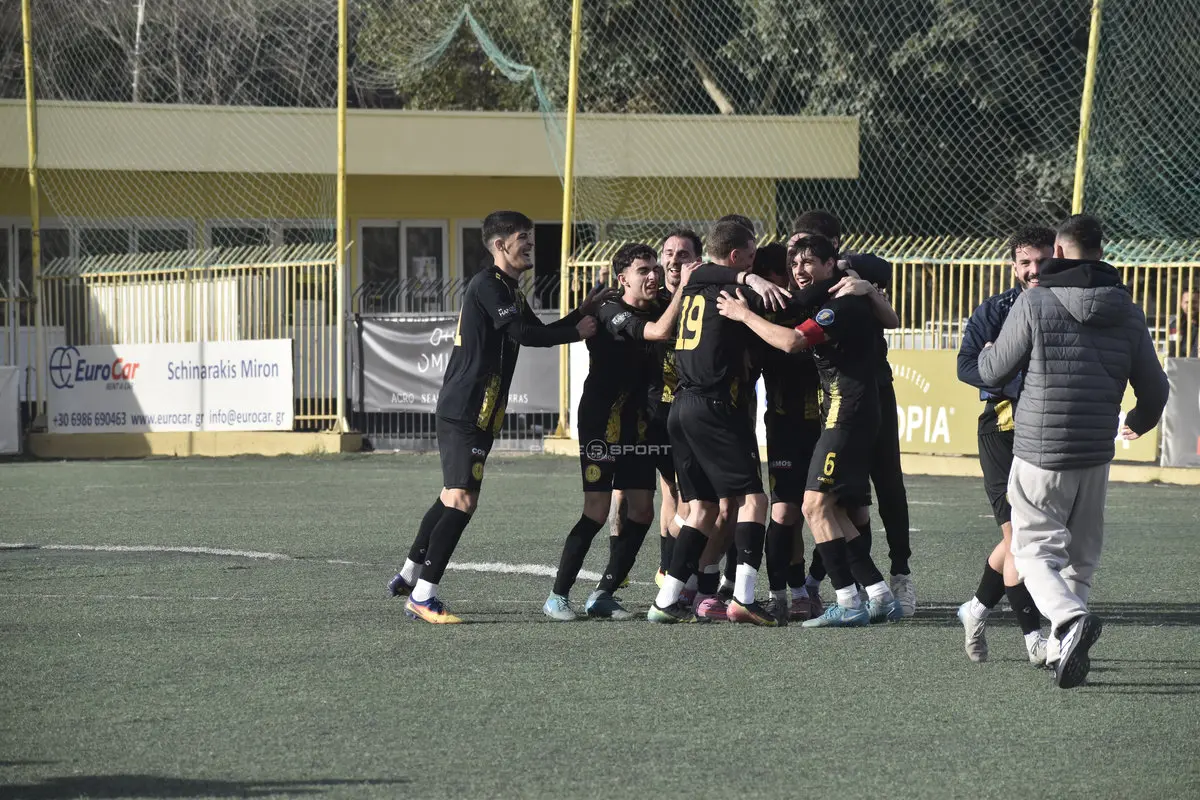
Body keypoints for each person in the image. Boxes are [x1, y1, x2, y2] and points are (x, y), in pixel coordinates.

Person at [978, 214, 1168, 688]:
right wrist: (1139, 420)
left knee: (1032, 551)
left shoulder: (1035, 301)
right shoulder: (1127, 309)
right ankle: (1065, 651)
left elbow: (994, 370)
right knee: (1081, 560)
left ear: (1058, 252)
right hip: (1096, 452)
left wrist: (985, 351)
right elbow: (1156, 389)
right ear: (1101, 253)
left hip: (1040, 451)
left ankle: (1067, 619)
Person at [387, 210, 604, 624]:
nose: (530, 245)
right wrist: (577, 332)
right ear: (500, 245)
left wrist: (580, 314)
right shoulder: (488, 284)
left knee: (451, 495)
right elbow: (525, 335)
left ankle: (410, 574)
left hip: (481, 412)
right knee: (462, 499)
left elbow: (537, 330)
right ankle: (423, 596)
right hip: (465, 409)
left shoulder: (509, 289)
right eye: (523, 238)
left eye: (531, 238)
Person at [716, 235, 903, 627]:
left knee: (814, 506)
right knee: (830, 507)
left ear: (831, 263)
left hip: (846, 416)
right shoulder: (830, 295)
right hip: (841, 416)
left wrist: (742, 315)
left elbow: (793, 341)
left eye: (809, 263)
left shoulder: (841, 304)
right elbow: (889, 318)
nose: (799, 271)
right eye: (795, 263)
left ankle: (847, 601)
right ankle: (878, 593)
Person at [544, 243, 692, 621]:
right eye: (644, 270)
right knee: (596, 511)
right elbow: (657, 332)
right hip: (601, 421)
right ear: (622, 278)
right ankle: (558, 596)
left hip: (637, 423)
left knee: (642, 510)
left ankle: (603, 593)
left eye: (655, 268)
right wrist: (681, 291)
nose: (654, 275)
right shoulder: (610, 308)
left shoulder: (660, 302)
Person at [648, 220, 777, 625]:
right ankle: (743, 597)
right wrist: (752, 280)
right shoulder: (734, 293)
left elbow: (702, 271)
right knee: (754, 500)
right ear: (735, 256)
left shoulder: (692, 286)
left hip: (681, 406)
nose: (754, 265)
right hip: (713, 406)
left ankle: (666, 600)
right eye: (750, 258)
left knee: (701, 507)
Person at [789, 211, 915, 615]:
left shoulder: (850, 282)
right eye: (794, 251)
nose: (798, 261)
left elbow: (888, 304)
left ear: (832, 251)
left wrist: (865, 287)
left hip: (865, 395)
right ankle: (862, 589)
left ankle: (895, 577)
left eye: (809, 252)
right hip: (828, 398)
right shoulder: (804, 282)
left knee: (878, 485)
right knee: (835, 502)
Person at [955, 226, 1056, 666]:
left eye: (1042, 260)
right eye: (1025, 262)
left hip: (1049, 434)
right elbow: (966, 366)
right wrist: (1009, 372)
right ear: (1013, 266)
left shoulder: (1067, 305)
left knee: (1032, 536)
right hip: (1001, 432)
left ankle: (976, 609)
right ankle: (1035, 640)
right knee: (1018, 537)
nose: (1034, 270)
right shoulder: (995, 310)